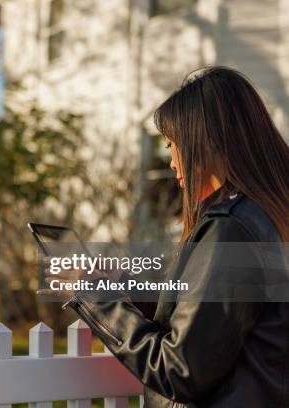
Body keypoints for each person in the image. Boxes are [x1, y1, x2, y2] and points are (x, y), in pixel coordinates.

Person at [64, 67, 289, 407]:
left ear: (206, 138)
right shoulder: (269, 217)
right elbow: (222, 321)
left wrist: (95, 297)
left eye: (171, 144)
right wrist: (125, 289)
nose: (170, 162)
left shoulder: (231, 229)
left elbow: (180, 370)